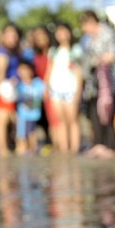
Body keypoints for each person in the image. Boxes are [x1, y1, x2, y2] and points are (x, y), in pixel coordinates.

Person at [79, 10, 115, 155]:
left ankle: (109, 145)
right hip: (93, 83)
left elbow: (113, 55)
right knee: (94, 113)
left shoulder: (107, 33)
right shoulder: (87, 40)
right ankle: (98, 144)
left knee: (107, 111)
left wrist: (99, 60)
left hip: (108, 81)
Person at [46, 22, 82, 154]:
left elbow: (78, 71)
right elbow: (49, 70)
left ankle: (74, 147)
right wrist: (47, 88)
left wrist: (78, 90)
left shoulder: (76, 50)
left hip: (70, 89)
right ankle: (64, 148)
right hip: (56, 89)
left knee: (72, 120)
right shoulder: (53, 51)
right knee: (60, 121)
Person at [0, 23, 24, 156]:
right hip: (6, 91)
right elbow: (0, 73)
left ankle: (13, 146)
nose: (12, 37)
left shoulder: (16, 52)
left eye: (14, 34)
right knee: (3, 120)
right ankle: (2, 149)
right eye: (9, 34)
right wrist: (0, 91)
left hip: (16, 90)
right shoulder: (2, 52)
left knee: (13, 119)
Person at [14, 60, 44, 155]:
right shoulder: (18, 84)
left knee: (32, 132)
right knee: (21, 132)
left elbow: (44, 94)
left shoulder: (38, 83)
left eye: (26, 69)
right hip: (22, 114)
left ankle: (33, 148)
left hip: (33, 114)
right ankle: (21, 148)